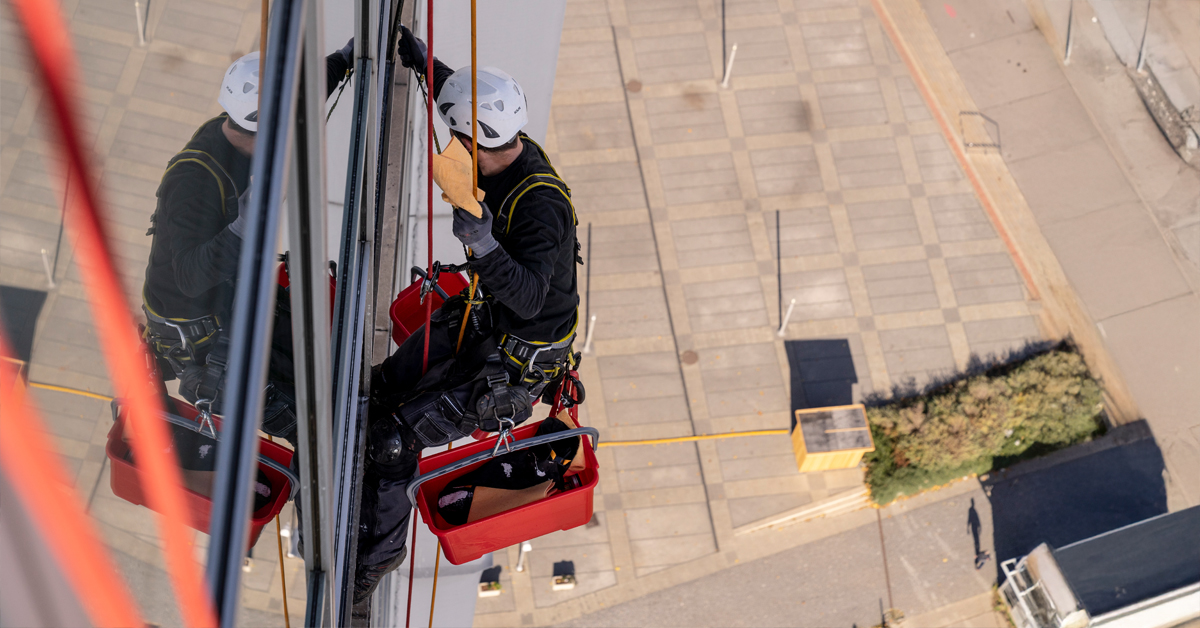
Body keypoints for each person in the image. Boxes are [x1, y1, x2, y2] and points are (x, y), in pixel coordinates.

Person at [353, 26, 582, 603]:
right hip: (483, 322)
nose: (453, 150)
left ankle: (372, 562)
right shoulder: (507, 145)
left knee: (393, 438)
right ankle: (359, 491)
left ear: (479, 142)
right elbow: (465, 100)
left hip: (513, 364)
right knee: (376, 392)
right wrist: (420, 59)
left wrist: (482, 245)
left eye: (459, 141)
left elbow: (529, 297)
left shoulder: (539, 206)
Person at [141, 40, 356, 444]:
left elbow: (296, 102)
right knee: (318, 422)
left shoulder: (242, 125)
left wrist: (344, 58)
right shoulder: (194, 181)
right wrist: (244, 225)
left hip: (234, 298)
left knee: (332, 358)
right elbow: (188, 276)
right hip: (205, 335)